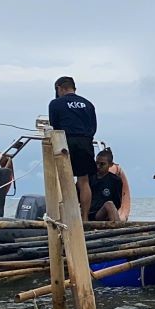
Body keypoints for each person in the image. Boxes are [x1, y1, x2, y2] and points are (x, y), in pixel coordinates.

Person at [48, 76, 97, 221]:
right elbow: (93, 127)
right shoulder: (88, 104)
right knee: (84, 180)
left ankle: (66, 215)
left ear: (60, 88)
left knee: (65, 178)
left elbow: (54, 125)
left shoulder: (56, 103)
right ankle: (85, 217)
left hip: (65, 141)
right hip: (85, 141)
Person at [87, 148, 124, 222]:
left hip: (101, 213)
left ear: (110, 165)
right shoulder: (89, 178)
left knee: (109, 204)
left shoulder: (115, 180)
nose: (98, 166)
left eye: (102, 164)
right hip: (87, 212)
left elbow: (117, 202)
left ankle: (119, 228)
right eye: (96, 163)